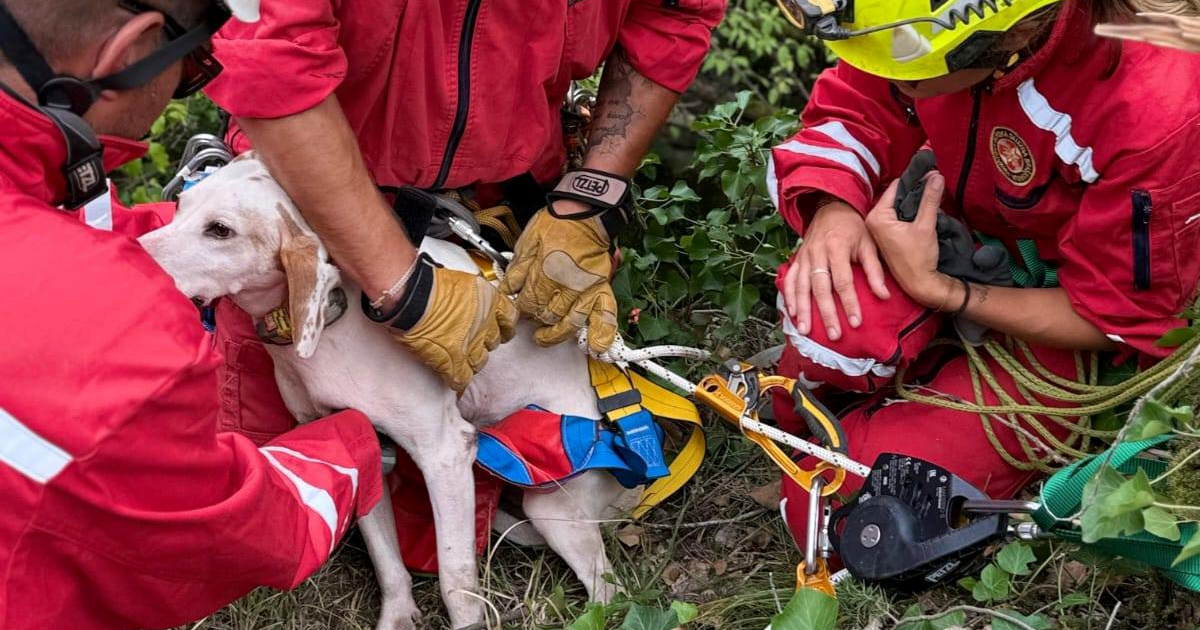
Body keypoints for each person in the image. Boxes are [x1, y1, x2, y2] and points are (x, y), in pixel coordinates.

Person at [0, 1, 385, 628]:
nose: (183, 89)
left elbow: (72, 237)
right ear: (131, 51)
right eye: (197, 67)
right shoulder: (118, 346)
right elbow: (248, 532)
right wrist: (354, 439)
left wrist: (227, 231)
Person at [767, 0, 1200, 550]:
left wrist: (946, 293)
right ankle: (805, 410)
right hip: (947, 235)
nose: (884, 74)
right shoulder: (911, 28)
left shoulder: (1152, 105)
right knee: (830, 318)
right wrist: (833, 210)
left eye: (908, 74)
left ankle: (892, 395)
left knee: (836, 507)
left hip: (1059, 315)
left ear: (997, 40)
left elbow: (1117, 313)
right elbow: (858, 106)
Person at [201, 0, 727, 442]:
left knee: (542, 465)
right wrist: (402, 286)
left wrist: (587, 202)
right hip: (308, 212)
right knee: (280, 483)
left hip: (509, 211)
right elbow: (272, 59)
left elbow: (670, 15)